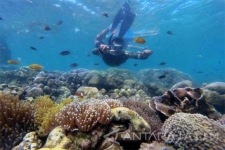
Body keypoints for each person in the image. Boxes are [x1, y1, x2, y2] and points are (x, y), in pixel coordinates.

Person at [92, 2, 152, 66]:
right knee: (120, 35)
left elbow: (94, 49)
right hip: (112, 59)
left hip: (110, 60)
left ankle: (111, 28)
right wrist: (146, 54)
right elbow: (93, 51)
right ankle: (111, 28)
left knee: (101, 38)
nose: (117, 50)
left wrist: (101, 51)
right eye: (115, 47)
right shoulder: (115, 51)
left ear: (123, 47)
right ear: (111, 46)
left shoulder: (123, 53)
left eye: (120, 48)